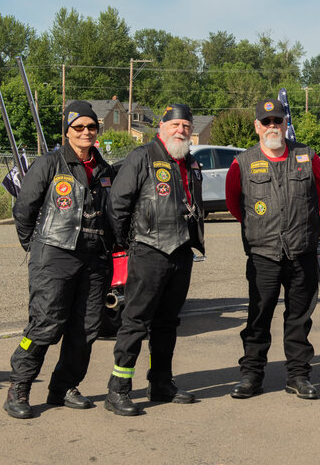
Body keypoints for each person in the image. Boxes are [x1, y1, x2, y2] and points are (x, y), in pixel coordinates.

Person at [4, 101, 115, 419]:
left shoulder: (104, 169)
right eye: (78, 127)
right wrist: (37, 247)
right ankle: (19, 385)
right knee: (45, 324)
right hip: (54, 255)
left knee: (87, 327)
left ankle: (63, 386)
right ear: (67, 131)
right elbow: (24, 209)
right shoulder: (49, 164)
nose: (85, 132)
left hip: (94, 260)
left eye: (91, 127)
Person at [104, 104, 205, 416]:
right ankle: (118, 390)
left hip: (181, 253)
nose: (181, 130)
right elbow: (117, 204)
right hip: (148, 251)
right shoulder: (143, 156)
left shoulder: (192, 163)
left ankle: (161, 383)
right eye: (175, 124)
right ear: (161, 127)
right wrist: (129, 243)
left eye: (186, 126)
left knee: (168, 323)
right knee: (135, 321)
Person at [224, 99, 320, 400]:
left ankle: (298, 376)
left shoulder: (308, 157)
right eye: (266, 121)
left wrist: (298, 223)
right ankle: (251, 376)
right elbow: (235, 204)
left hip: (301, 252)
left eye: (277, 121)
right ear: (257, 126)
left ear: (285, 124)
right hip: (263, 254)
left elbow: (318, 196)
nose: (273, 126)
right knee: (258, 317)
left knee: (299, 318)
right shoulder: (242, 163)